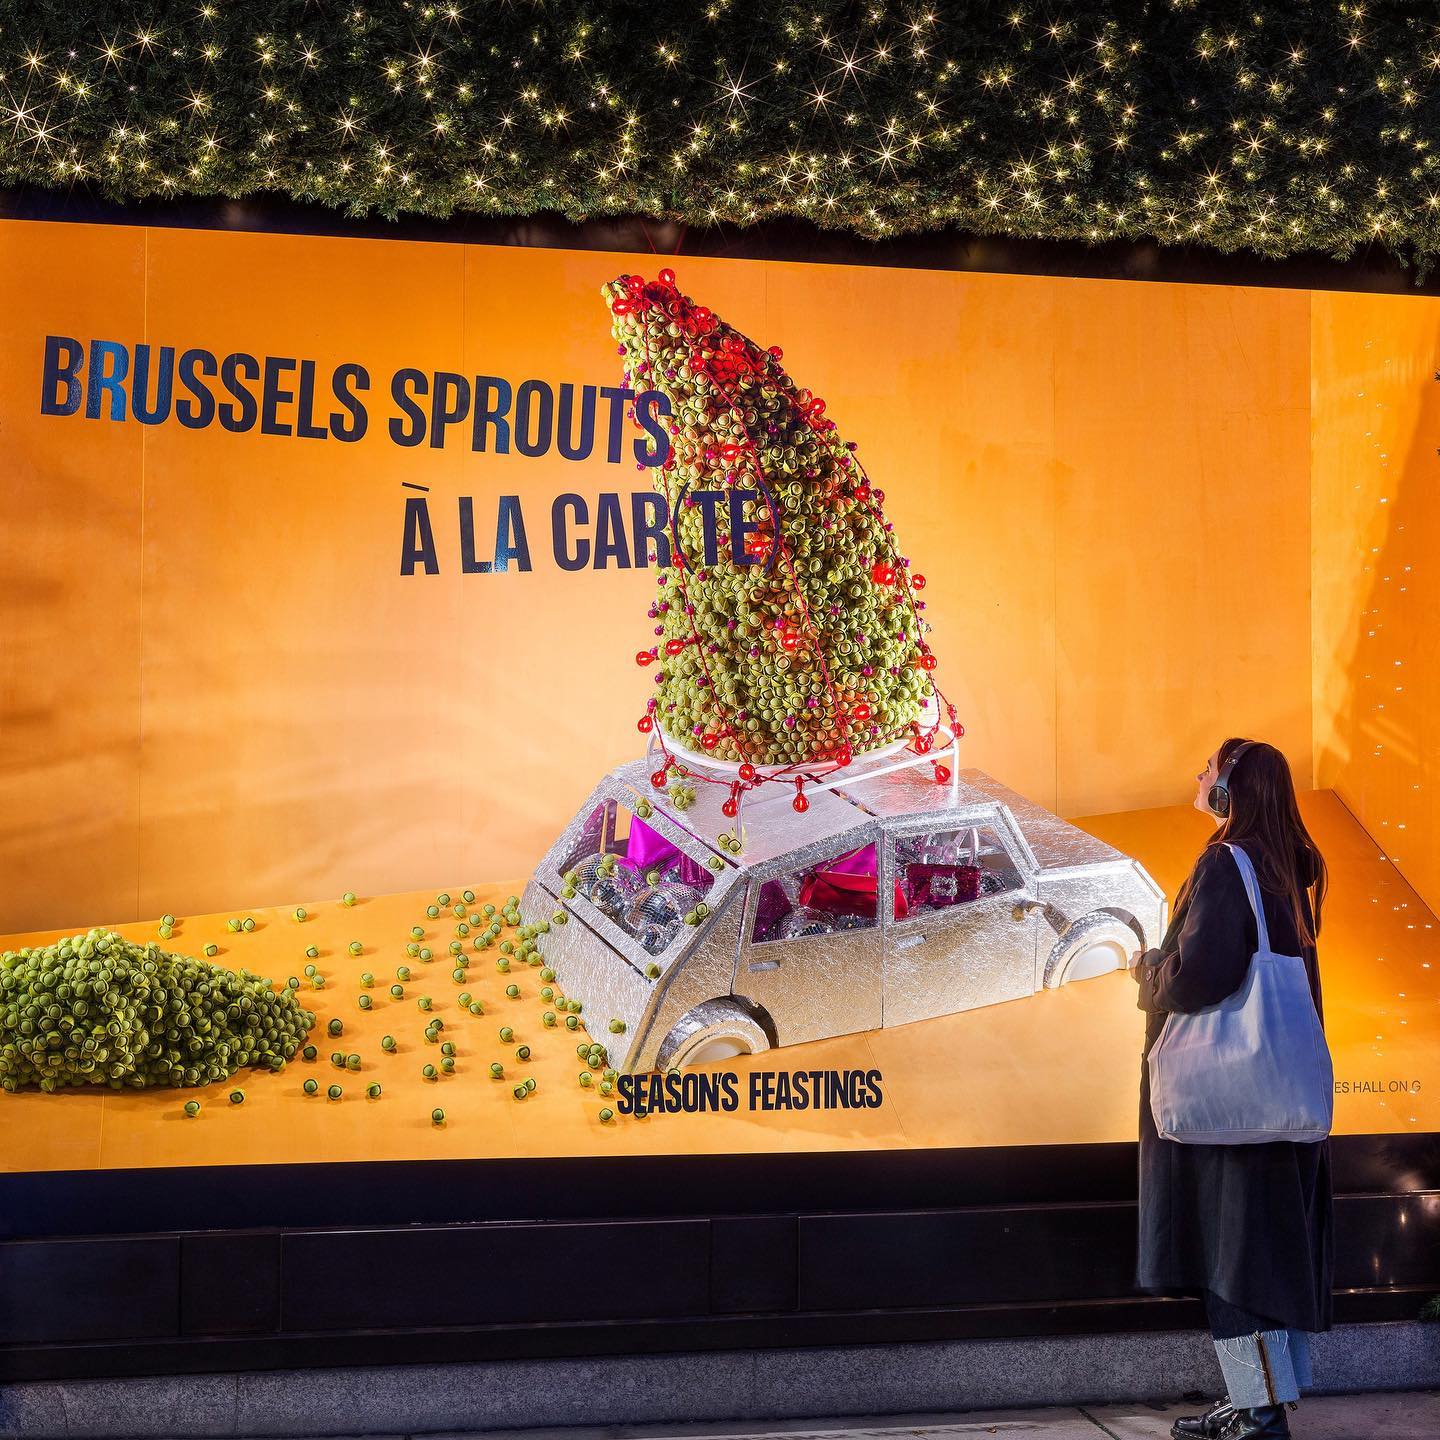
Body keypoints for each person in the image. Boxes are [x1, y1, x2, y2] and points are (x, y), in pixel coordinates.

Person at [1127, 738, 1333, 1440]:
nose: (1198, 775)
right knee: (1263, 1259)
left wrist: (1150, 968)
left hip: (1225, 1106)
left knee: (1232, 1261)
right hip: (1277, 1095)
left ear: (1229, 788)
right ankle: (1258, 1403)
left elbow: (1200, 976)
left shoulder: (1225, 862)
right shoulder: (1289, 869)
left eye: (1208, 769)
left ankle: (1258, 1413)